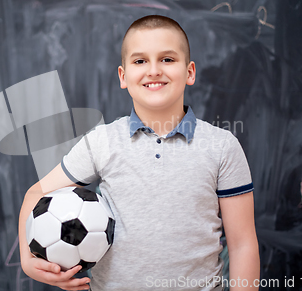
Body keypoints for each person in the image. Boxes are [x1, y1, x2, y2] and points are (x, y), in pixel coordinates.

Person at [18, 15, 260, 290]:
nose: (154, 70)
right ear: (123, 76)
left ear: (190, 72)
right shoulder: (102, 142)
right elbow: (35, 195)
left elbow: (242, 245)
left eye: (167, 59)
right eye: (140, 61)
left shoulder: (222, 146)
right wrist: (28, 261)